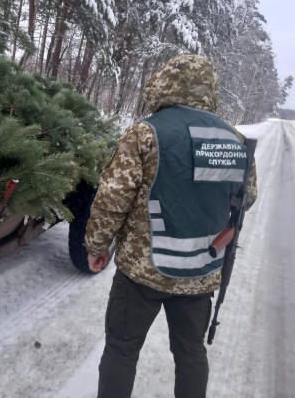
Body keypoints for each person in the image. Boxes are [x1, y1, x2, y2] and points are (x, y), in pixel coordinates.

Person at [85, 54, 258, 398]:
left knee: (121, 350)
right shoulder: (235, 140)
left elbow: (112, 197)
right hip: (200, 270)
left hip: (141, 272)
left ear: (163, 84)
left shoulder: (145, 133)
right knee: (191, 354)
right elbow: (246, 198)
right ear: (209, 89)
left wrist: (96, 246)